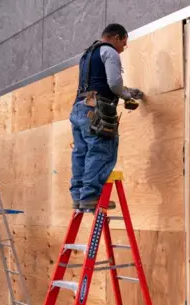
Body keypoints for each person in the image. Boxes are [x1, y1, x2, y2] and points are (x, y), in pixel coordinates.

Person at [69, 23, 144, 211]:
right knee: (102, 151)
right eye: (124, 43)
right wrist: (126, 96)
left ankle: (78, 197)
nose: (123, 48)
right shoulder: (109, 52)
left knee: (81, 152)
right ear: (117, 37)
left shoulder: (87, 55)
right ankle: (91, 196)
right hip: (97, 110)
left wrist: (129, 92)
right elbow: (114, 83)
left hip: (79, 108)